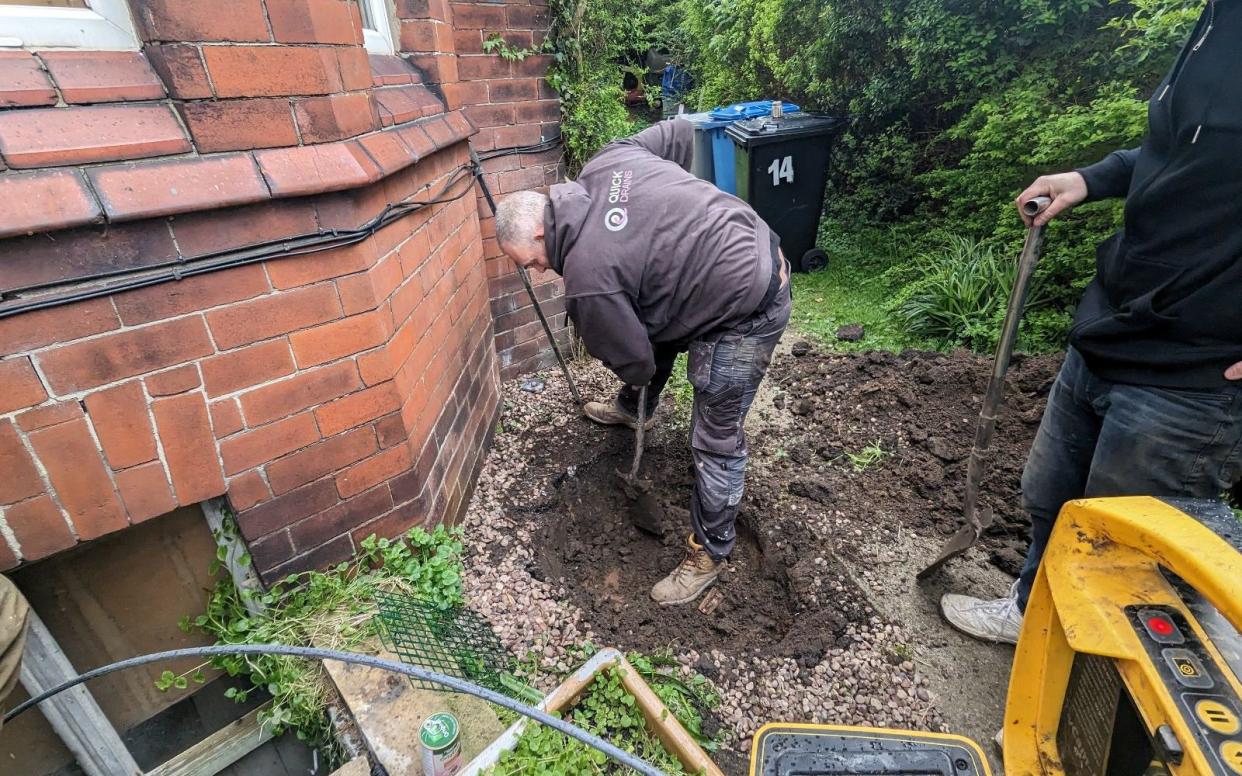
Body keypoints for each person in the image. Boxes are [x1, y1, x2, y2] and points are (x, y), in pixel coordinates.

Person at [940, 0, 1242, 644]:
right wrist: (1091, 177)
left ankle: (1093, 718)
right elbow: (1179, 159)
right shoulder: (1219, 21)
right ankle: (1032, 614)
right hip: (1114, 323)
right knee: (1052, 495)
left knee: (1131, 562)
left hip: (1193, 370)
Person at [494, 118, 791, 606]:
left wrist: (686, 234)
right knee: (655, 317)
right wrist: (679, 228)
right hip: (754, 239)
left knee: (715, 436)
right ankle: (636, 412)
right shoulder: (610, 159)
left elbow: (636, 362)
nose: (539, 271)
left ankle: (710, 553)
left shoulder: (589, 279)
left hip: (749, 305)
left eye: (530, 262)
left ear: (542, 230)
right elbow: (679, 133)